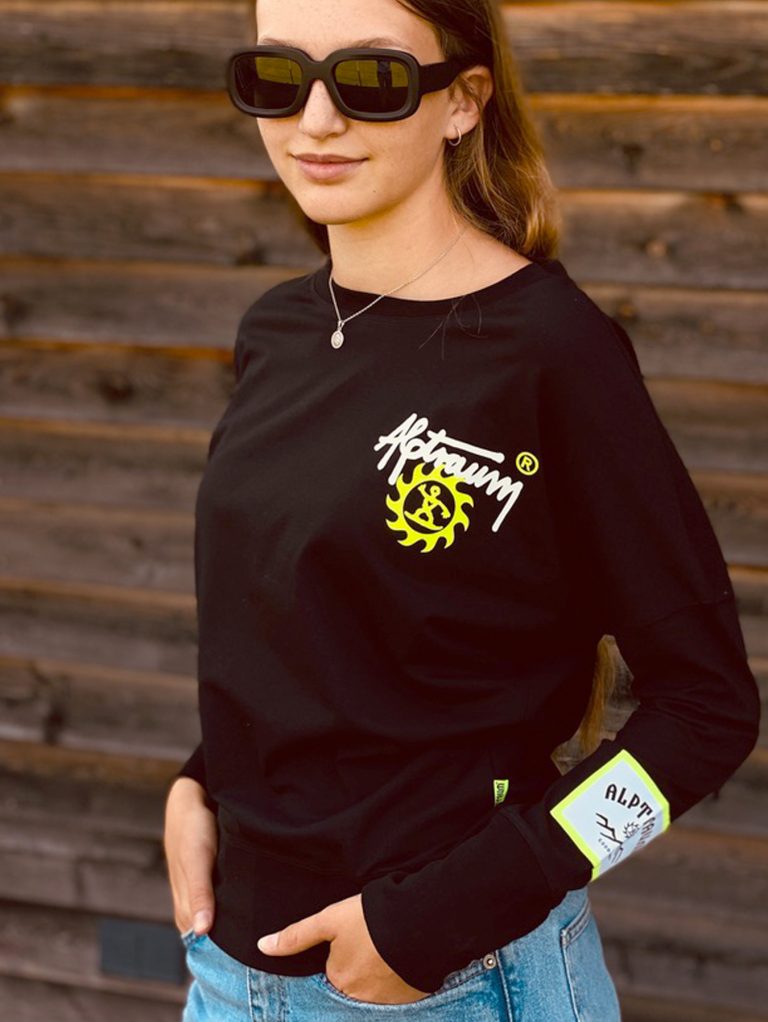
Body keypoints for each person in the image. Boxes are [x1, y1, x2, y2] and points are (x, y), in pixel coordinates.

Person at [163, 0, 761, 1019]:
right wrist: (200, 780)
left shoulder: (554, 352)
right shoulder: (276, 330)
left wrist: (460, 908)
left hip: (455, 983)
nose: (316, 121)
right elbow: (312, 627)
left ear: (463, 102)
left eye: (370, 81)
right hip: (230, 977)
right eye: (279, 78)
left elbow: (709, 713)